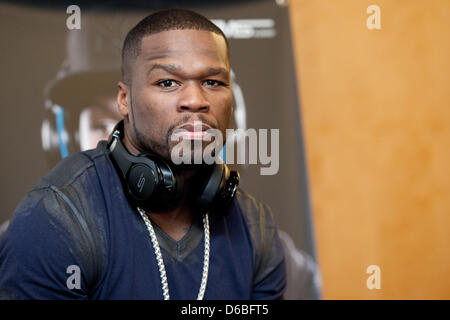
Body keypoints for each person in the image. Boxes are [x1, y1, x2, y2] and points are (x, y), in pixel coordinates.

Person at [0, 9, 286, 300]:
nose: (196, 100)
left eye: (212, 82)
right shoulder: (56, 218)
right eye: (167, 82)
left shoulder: (254, 225)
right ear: (124, 100)